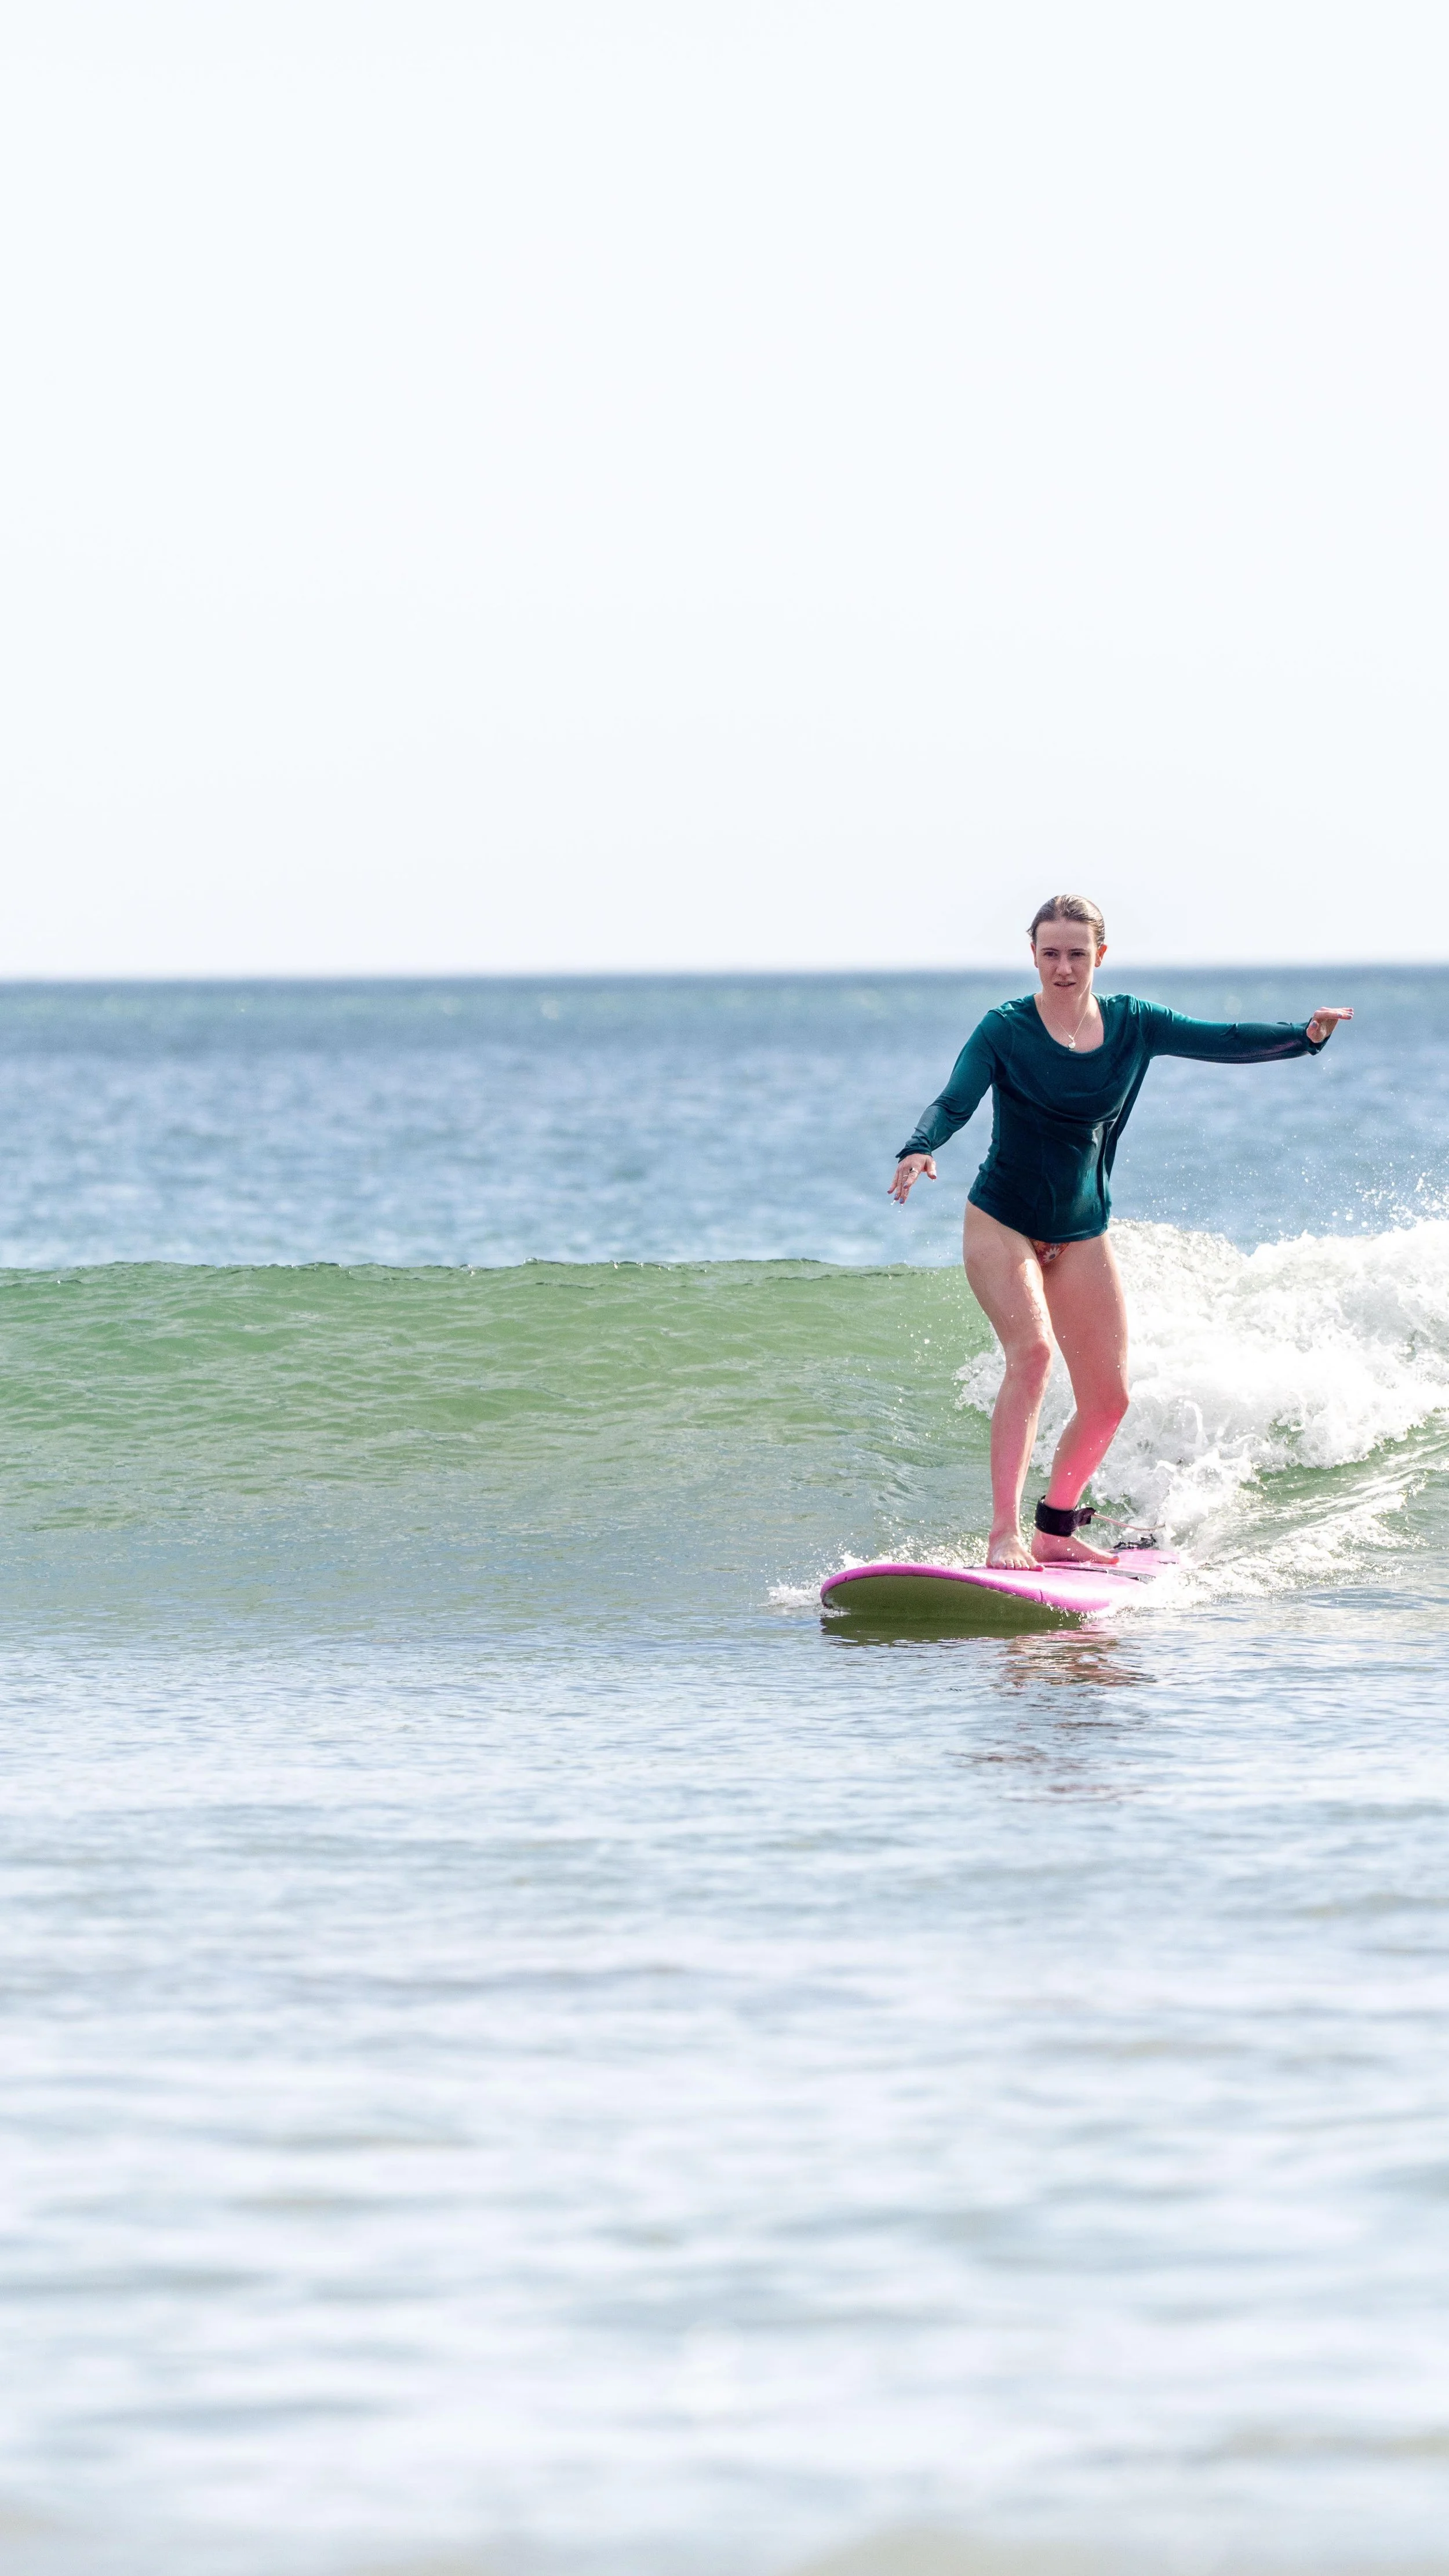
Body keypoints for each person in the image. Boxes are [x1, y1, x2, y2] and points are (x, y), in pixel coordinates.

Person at [889, 897, 1352, 1570]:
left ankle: (1053, 1529)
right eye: (1050, 953)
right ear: (1032, 955)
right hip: (1002, 1219)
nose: (1064, 967)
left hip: (1080, 1227)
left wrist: (1303, 1036)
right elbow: (954, 1099)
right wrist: (920, 1145)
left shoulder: (1135, 1023)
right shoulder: (1004, 1029)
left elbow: (1221, 1039)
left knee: (1108, 1400)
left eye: (1077, 953)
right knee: (1033, 1355)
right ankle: (1003, 1534)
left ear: (1099, 956)